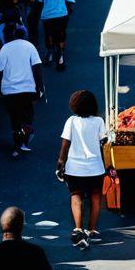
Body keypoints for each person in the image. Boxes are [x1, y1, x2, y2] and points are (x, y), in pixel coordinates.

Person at [56, 90, 107, 249]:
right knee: (96, 198)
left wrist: (61, 162)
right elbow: (104, 142)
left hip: (74, 168)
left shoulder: (71, 121)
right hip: (95, 168)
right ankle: (92, 229)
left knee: (76, 197)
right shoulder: (99, 121)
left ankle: (78, 228)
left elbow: (65, 144)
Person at [0, 27, 44, 158]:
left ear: (14, 35)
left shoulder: (6, 48)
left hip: (10, 90)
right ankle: (25, 141)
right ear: (25, 35)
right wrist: (40, 88)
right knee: (27, 116)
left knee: (14, 117)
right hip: (27, 89)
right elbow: (37, 68)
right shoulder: (30, 46)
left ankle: (17, 145)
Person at [33, 0, 75, 70]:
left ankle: (50, 53)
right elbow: (70, 0)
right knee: (61, 33)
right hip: (62, 15)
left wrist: (36, 15)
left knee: (49, 34)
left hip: (47, 16)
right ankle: (60, 55)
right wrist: (68, 12)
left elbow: (38, 1)